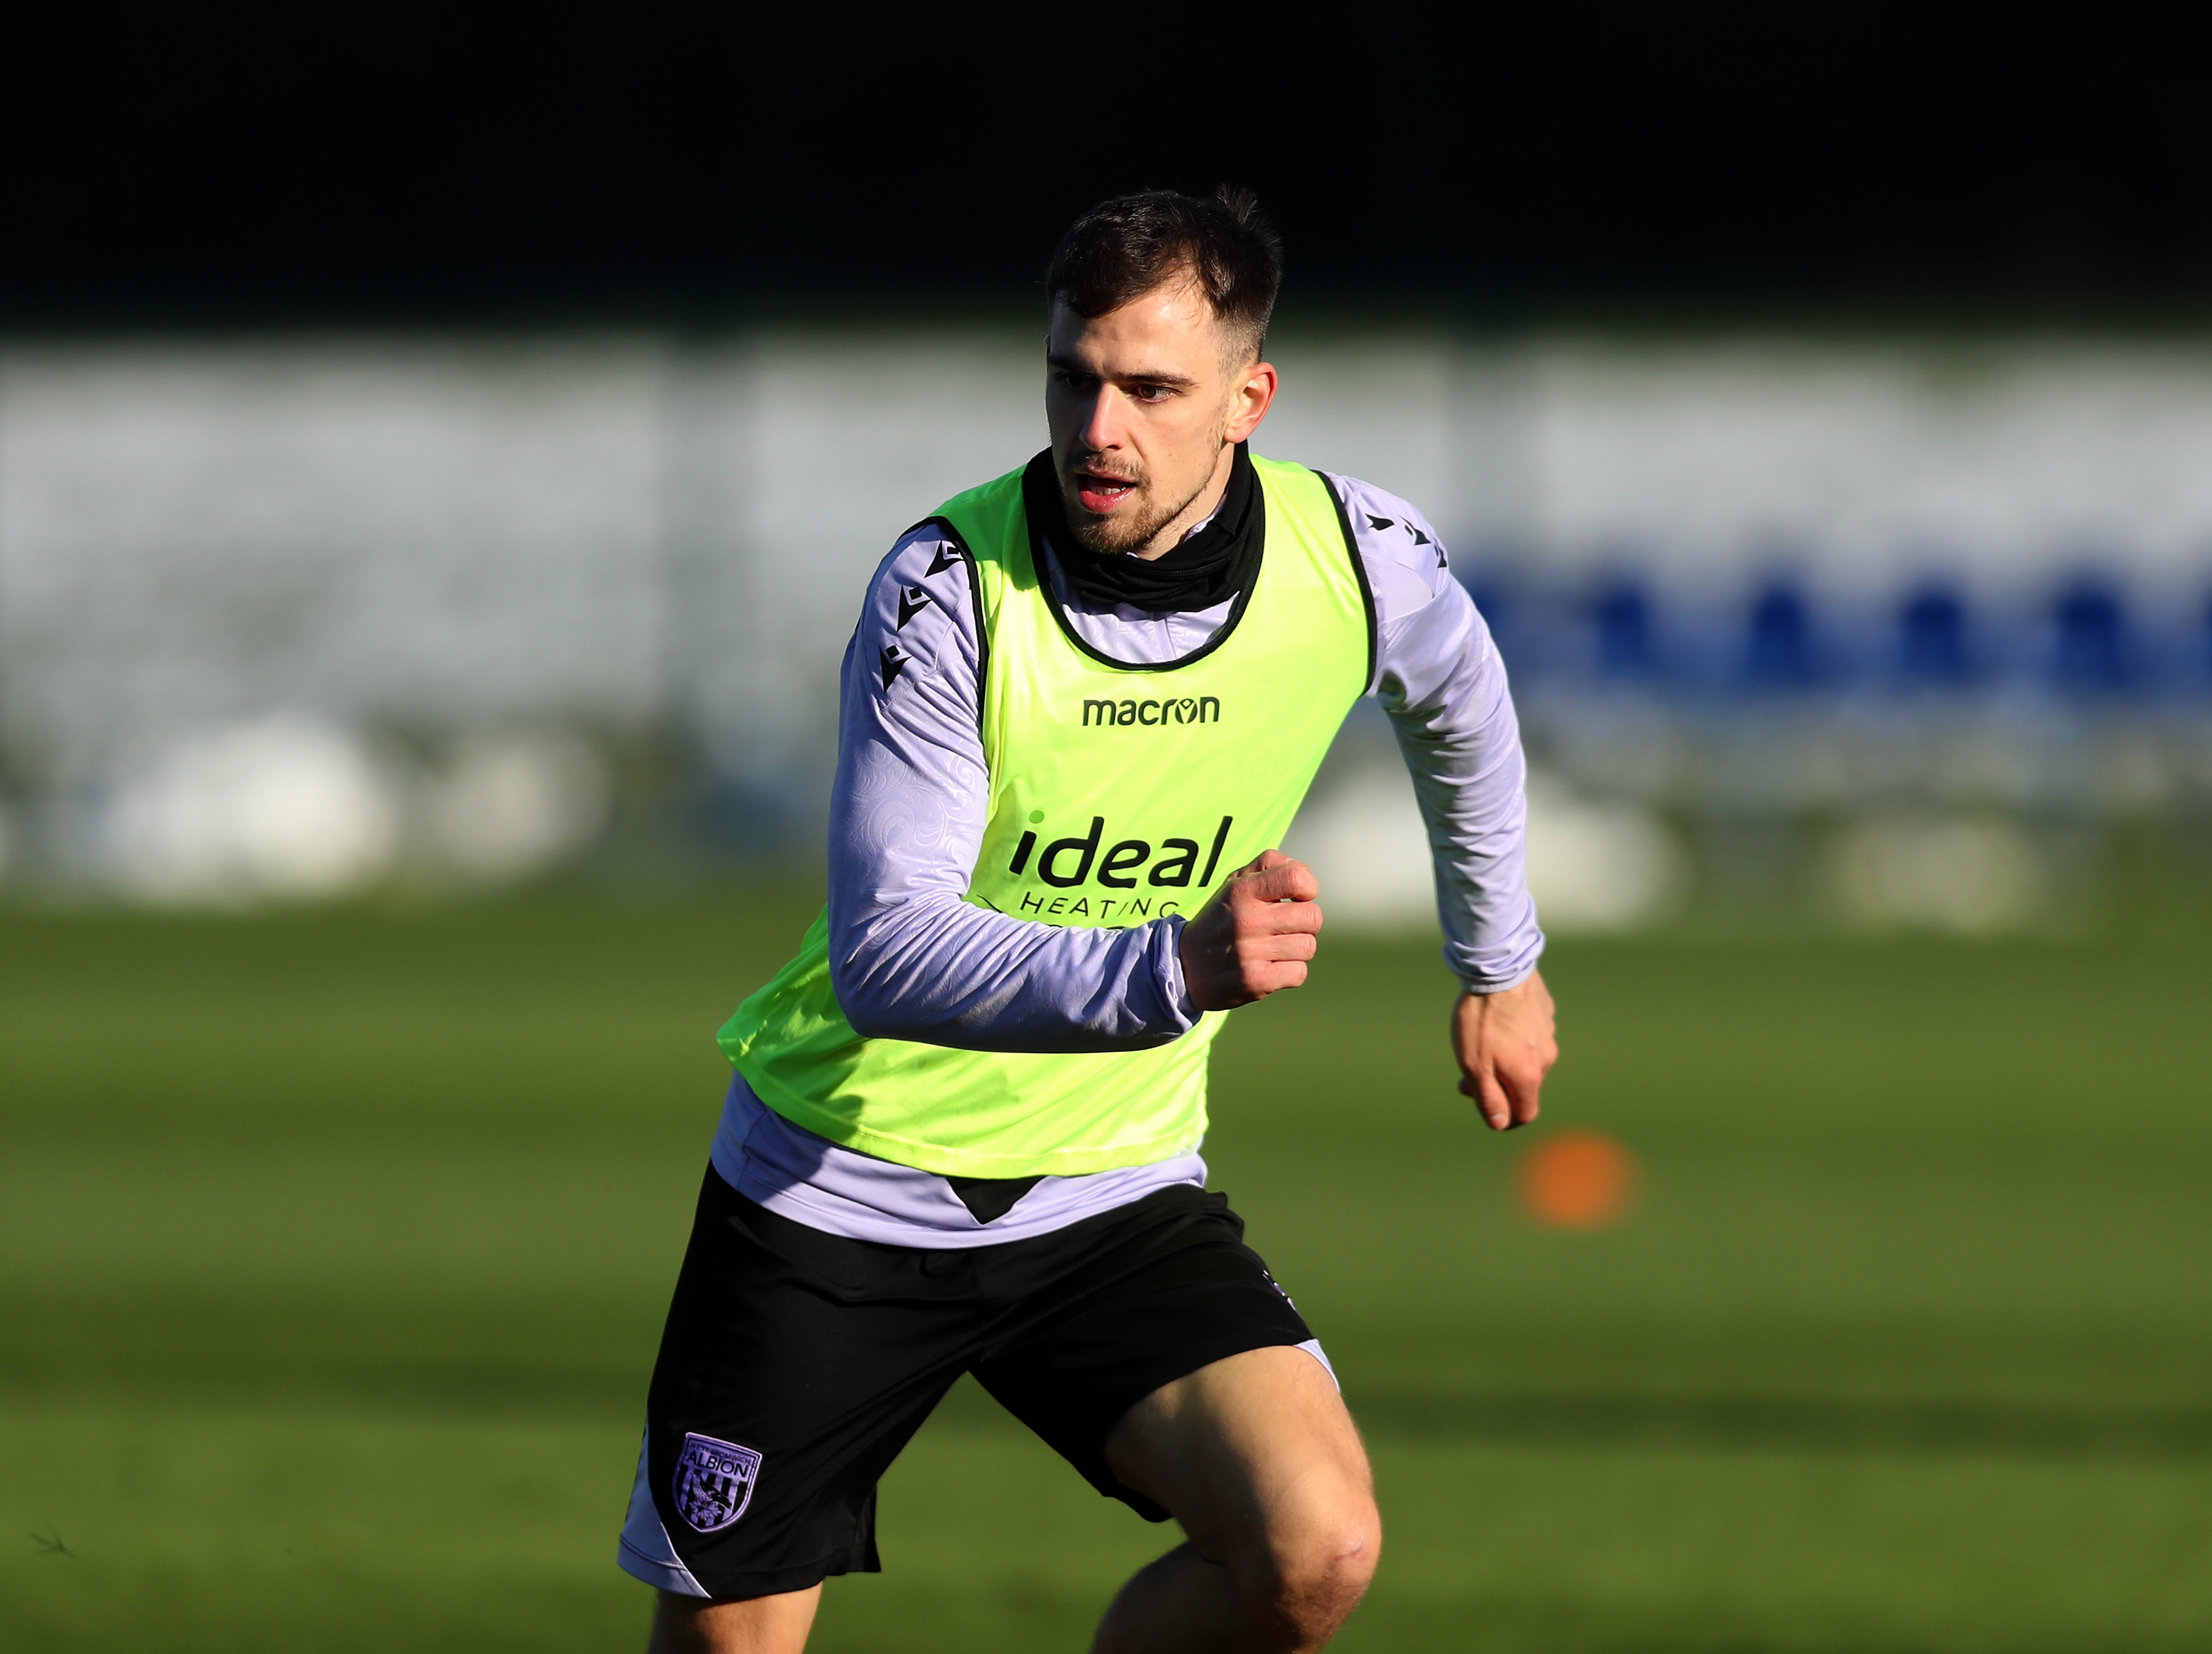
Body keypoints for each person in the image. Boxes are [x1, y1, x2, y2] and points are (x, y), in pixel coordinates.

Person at [619, 186, 1557, 1654]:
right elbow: (888, 955)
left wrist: (1501, 961)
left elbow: (1465, 698)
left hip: (1107, 1191)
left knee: (1313, 1550)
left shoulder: (1355, 552)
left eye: (1152, 388)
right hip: (840, 1183)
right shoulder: (951, 592)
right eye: (1074, 376)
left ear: (1248, 398)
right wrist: (1177, 963)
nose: (1100, 425)